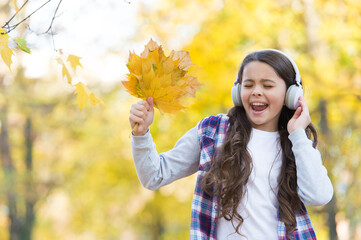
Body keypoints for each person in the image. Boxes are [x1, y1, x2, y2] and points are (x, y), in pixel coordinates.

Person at [129, 49, 333, 240]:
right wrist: (141, 134)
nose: (256, 92)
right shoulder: (212, 131)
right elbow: (154, 176)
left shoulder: (296, 144)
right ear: (237, 91)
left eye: (268, 85)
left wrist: (297, 134)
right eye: (248, 84)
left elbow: (318, 196)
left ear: (291, 94)